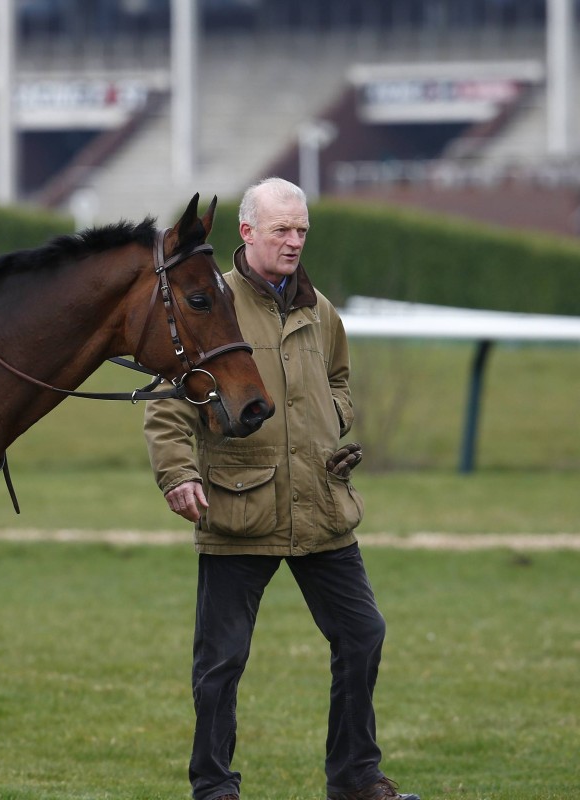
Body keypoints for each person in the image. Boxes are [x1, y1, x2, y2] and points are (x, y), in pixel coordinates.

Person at [142, 177, 418, 800]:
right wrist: (180, 475)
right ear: (246, 233)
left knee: (362, 634)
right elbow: (167, 407)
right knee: (221, 663)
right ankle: (214, 788)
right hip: (240, 507)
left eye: (301, 231)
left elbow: (340, 378)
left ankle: (355, 778)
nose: (294, 242)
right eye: (281, 231)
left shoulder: (320, 309)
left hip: (322, 505)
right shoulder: (212, 304)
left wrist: (334, 416)